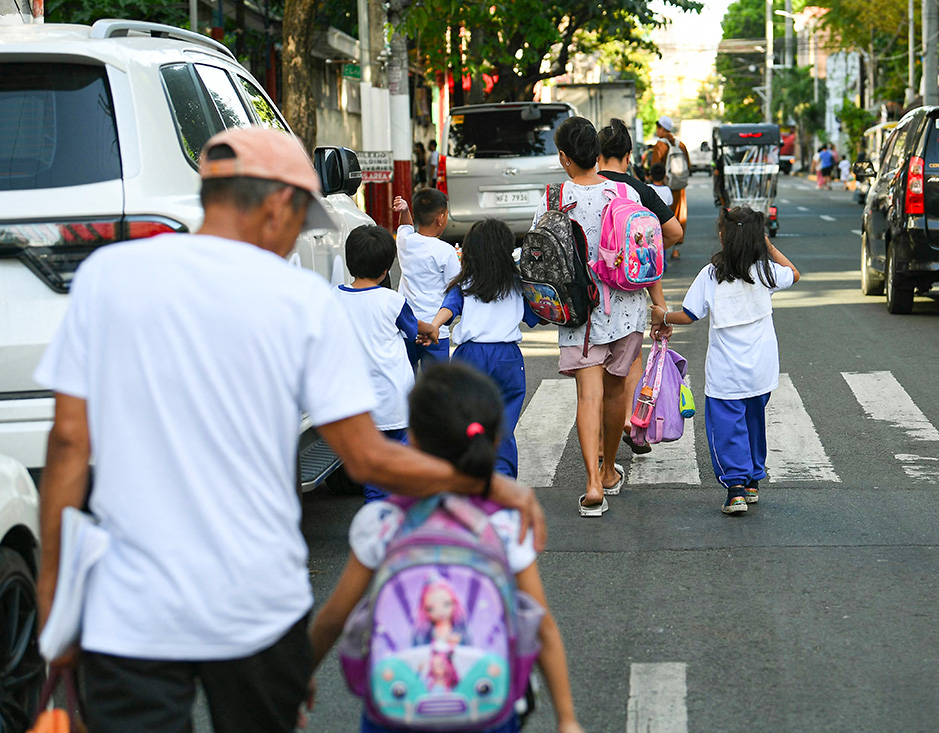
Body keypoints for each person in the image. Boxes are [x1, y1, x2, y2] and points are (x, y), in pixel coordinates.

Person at [33, 127, 545, 733]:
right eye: (302, 217)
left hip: (130, 608)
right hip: (254, 604)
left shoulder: (109, 276)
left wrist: (53, 602)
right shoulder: (301, 300)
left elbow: (68, 445)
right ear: (277, 203)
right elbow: (367, 458)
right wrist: (487, 483)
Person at [308, 362, 585, 733]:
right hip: (485, 708)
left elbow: (332, 620)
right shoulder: (504, 524)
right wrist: (566, 719)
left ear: (413, 440)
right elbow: (542, 626)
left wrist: (298, 678)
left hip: (396, 710)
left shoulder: (383, 523)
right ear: (493, 439)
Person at [530, 116, 653, 517]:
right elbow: (643, 249)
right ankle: (610, 470)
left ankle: (593, 484)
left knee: (588, 394)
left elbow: (538, 257)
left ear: (565, 157)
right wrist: (658, 304)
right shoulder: (623, 192)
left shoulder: (553, 197)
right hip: (626, 308)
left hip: (578, 312)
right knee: (616, 390)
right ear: (597, 155)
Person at [650, 206, 800, 515]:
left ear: (723, 236)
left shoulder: (712, 274)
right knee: (754, 421)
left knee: (727, 428)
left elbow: (689, 315)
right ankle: (754, 479)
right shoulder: (766, 271)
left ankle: (735, 489)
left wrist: (662, 315)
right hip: (762, 370)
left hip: (726, 373)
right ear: (759, 239)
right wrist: (769, 247)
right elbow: (794, 274)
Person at [427, 218, 543, 479]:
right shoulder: (517, 285)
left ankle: (468, 477)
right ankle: (502, 482)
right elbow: (537, 317)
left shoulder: (464, 284)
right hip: (507, 359)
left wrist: (435, 327)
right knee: (502, 427)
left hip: (470, 357)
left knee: (466, 422)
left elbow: (449, 308)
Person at [335, 224, 436, 502]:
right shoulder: (392, 300)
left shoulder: (333, 298)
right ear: (385, 269)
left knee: (375, 477)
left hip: (359, 407)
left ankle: (376, 528)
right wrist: (431, 331)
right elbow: (414, 328)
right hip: (395, 403)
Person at [595, 118, 676, 456]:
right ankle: (628, 417)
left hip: (590, 294)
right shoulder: (640, 192)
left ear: (597, 154)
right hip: (629, 293)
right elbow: (673, 233)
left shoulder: (584, 186)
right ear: (629, 155)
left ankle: (599, 446)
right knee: (630, 360)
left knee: (593, 372)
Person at [395, 190, 460, 372]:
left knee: (407, 380)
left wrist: (405, 211)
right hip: (436, 329)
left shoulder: (404, 242)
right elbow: (455, 289)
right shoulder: (446, 252)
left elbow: (405, 227)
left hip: (407, 328)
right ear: (441, 218)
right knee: (436, 385)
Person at [651, 115, 691, 259]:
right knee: (680, 217)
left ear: (662, 128)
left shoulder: (660, 145)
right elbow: (689, 166)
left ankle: (661, 249)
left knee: (661, 217)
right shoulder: (681, 145)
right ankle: (676, 250)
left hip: (664, 187)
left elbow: (655, 166)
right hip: (679, 187)